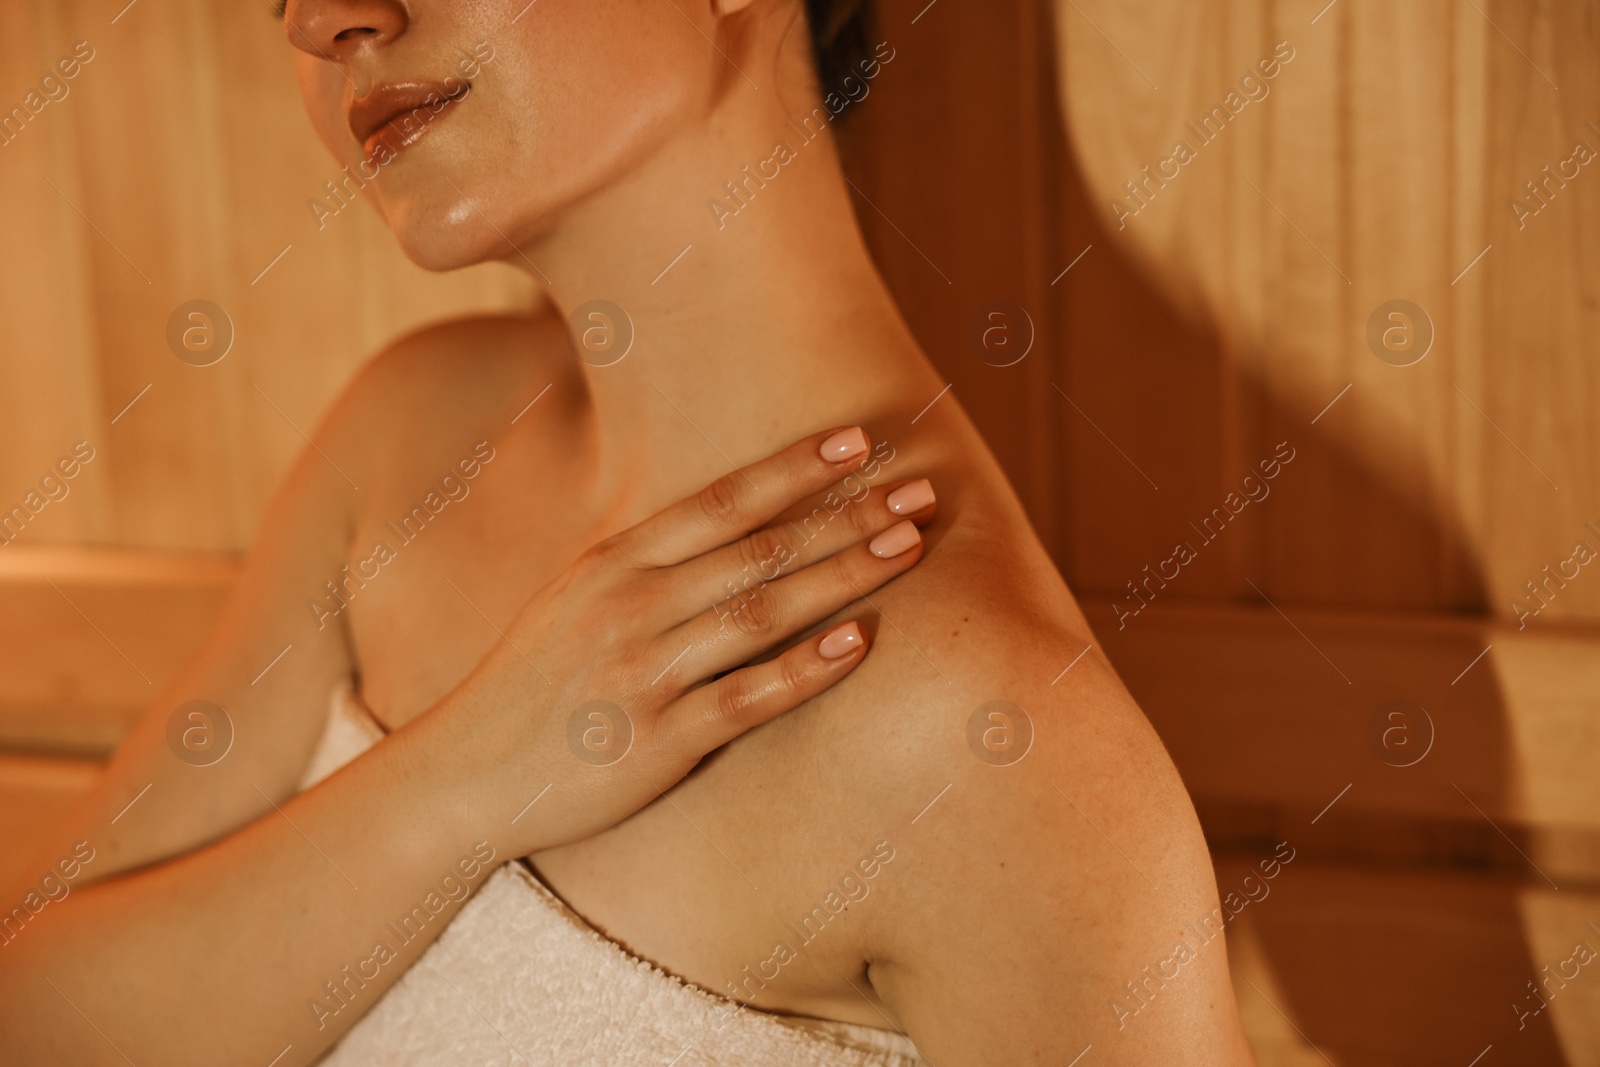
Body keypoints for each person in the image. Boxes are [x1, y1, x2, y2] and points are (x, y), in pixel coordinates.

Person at [1, 1, 1255, 1064]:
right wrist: (468, 778)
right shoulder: (407, 444)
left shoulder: (988, 736)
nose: (326, 19)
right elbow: (32, 1004)